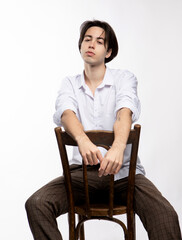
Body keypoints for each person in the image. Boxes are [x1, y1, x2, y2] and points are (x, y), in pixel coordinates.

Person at [25, 20, 182, 240]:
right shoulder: (69, 83)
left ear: (108, 51)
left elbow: (124, 112)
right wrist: (82, 139)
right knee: (37, 204)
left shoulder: (124, 78)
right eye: (87, 39)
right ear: (80, 46)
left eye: (99, 41)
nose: (91, 44)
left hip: (125, 175)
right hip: (81, 176)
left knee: (165, 215)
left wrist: (117, 147)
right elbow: (66, 113)